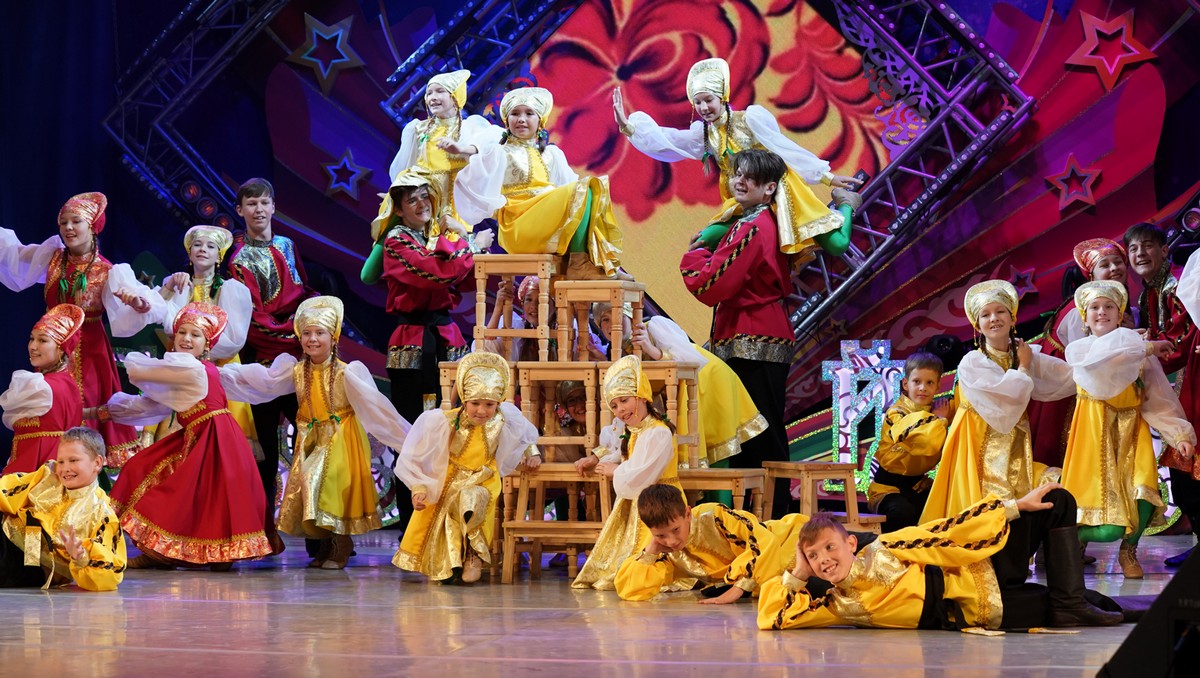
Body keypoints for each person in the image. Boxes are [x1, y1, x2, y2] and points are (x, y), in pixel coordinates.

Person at [757, 486, 1125, 631]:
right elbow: (772, 618)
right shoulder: (839, 605)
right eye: (813, 556)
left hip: (985, 566)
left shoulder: (883, 549)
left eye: (829, 547)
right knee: (1098, 605)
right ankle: (1070, 604)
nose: (823, 559)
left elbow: (941, 533)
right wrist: (798, 573)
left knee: (1056, 500)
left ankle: (1070, 604)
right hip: (985, 609)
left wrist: (1013, 507)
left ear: (851, 543)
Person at [219, 297, 413, 569]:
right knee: (310, 491)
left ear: (333, 338)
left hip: (341, 437)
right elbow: (264, 383)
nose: (312, 339)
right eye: (307, 333)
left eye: (319, 333)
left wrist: (408, 440)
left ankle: (341, 544)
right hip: (310, 437)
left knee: (328, 488)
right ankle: (325, 545)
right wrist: (221, 374)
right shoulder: (296, 370)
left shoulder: (348, 372)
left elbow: (377, 407)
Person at [613, 57, 862, 261]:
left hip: (777, 190)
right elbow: (669, 141)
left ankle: (846, 203)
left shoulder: (749, 119)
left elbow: (785, 148)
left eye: (708, 100)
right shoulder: (704, 134)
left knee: (837, 245)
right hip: (743, 202)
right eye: (697, 102)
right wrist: (630, 128)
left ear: (722, 97)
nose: (703, 108)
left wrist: (827, 178)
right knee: (706, 240)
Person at [96, 302, 271, 570]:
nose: (186, 339)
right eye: (182, 333)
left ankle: (217, 552)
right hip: (199, 433)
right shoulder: (188, 369)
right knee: (148, 471)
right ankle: (161, 551)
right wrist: (101, 412)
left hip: (215, 437)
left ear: (207, 345)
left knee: (210, 493)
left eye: (195, 335)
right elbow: (153, 405)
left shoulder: (191, 368)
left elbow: (141, 372)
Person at [0, 192, 163, 465]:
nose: (68, 228)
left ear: (93, 226)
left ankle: (87, 471)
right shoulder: (51, 258)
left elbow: (136, 306)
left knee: (89, 408)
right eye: (64, 222)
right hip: (53, 350)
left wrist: (138, 303)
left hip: (90, 351)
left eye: (76, 221)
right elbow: (13, 256)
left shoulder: (107, 271)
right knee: (51, 409)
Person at [680, 149, 794, 516]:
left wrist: (696, 253)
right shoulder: (754, 221)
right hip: (755, 332)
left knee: (757, 432)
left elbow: (711, 282)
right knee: (758, 430)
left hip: (753, 336)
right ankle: (766, 514)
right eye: (737, 174)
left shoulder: (752, 227)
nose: (739, 181)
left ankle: (773, 516)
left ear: (769, 188)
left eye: (750, 177)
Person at [1060, 280, 1190, 579]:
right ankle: (1069, 541)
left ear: (1120, 315)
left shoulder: (1137, 350)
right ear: (1084, 317)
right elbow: (1103, 360)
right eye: (1094, 307)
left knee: (1143, 493)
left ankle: (1129, 550)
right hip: (1093, 436)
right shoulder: (1080, 350)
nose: (1102, 312)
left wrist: (1178, 434)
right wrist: (1146, 347)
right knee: (1104, 525)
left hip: (1132, 432)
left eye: (1109, 307)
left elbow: (1158, 399)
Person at [919, 280, 1074, 523]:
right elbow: (1007, 403)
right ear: (977, 325)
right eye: (985, 314)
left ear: (1012, 318)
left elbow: (1068, 376)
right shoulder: (973, 363)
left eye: (1000, 311)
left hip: (1015, 450)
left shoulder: (1022, 352)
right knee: (992, 512)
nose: (994, 318)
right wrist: (1024, 366)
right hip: (980, 450)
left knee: (1059, 488)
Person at [392, 351, 540, 584]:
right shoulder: (446, 421)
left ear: (498, 402)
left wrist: (532, 453)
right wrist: (418, 488)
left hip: (484, 478)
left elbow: (524, 434)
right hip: (450, 478)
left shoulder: (503, 419)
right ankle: (449, 564)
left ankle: (474, 555)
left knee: (471, 499)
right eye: (475, 404)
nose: (481, 411)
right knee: (445, 510)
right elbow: (417, 456)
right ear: (464, 399)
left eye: (489, 404)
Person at [226, 178, 317, 552]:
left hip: (298, 361)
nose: (259, 210)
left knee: (312, 443)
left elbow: (304, 291)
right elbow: (250, 316)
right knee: (262, 451)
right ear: (240, 210)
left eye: (264, 202)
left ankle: (320, 536)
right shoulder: (236, 259)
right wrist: (293, 335)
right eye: (251, 204)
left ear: (274, 206)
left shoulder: (287, 246)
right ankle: (261, 536)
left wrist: (311, 325)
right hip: (260, 366)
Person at [455, 87, 629, 281]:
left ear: (540, 121)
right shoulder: (499, 152)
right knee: (584, 189)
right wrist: (496, 207)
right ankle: (580, 266)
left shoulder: (551, 154)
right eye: (515, 114)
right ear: (507, 120)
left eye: (529, 114)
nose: (521, 119)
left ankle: (599, 263)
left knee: (590, 192)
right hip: (518, 224)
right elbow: (471, 173)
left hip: (545, 220)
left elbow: (578, 201)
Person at [573, 355, 685, 590]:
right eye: (614, 406)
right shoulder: (635, 430)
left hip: (661, 501)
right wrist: (596, 458)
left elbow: (643, 471)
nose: (620, 409)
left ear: (641, 396)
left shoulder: (657, 432)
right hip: (642, 498)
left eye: (624, 401)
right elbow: (620, 451)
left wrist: (616, 471)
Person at [1028, 238, 1133, 468]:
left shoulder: (1120, 308)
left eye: (1118, 262)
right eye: (1105, 265)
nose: (1114, 268)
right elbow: (1091, 363)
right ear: (1091, 276)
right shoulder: (1082, 312)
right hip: (1068, 397)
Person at [152, 225, 256, 452]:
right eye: (197, 245)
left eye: (210, 246)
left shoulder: (231, 289)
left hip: (219, 368)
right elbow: (153, 310)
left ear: (219, 256)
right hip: (180, 367)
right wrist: (169, 286)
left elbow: (234, 340)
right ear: (189, 254)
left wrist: (199, 355)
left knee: (218, 438)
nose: (202, 249)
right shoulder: (177, 284)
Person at [1132, 223, 1200, 568]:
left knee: (1190, 458)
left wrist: (1142, 350)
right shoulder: (1147, 293)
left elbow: (1180, 339)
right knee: (1182, 466)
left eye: (1147, 246)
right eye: (1133, 249)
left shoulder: (1179, 286)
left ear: (1164, 250)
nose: (1140, 254)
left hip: (1190, 382)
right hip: (1171, 387)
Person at [614, 483, 807, 603]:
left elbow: (765, 542)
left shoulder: (713, 516)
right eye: (660, 535)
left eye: (675, 530)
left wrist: (739, 588)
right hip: (762, 580)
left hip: (786, 544)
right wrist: (651, 550)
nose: (671, 541)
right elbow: (630, 591)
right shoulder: (667, 551)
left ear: (687, 514)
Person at [630, 315, 765, 469]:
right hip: (696, 385)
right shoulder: (626, 346)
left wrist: (652, 350)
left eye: (612, 319)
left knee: (717, 442)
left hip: (709, 382)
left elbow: (684, 359)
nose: (609, 326)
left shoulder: (654, 327)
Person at [0, 427, 125, 591]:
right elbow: (6, 491)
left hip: (37, 564)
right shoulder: (48, 475)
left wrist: (80, 557)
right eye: (61, 461)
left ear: (97, 463)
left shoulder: (102, 515)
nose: (65, 468)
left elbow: (110, 575)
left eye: (73, 460)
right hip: (11, 534)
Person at [387, 68, 503, 224]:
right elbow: (405, 164)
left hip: (451, 202)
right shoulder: (418, 128)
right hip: (419, 196)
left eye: (440, 91)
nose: (433, 97)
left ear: (455, 96)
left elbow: (495, 140)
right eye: (429, 93)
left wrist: (462, 149)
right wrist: (395, 194)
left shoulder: (469, 127)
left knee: (446, 237)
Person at [866, 352, 950, 530]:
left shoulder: (937, 409)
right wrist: (940, 419)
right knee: (903, 513)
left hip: (917, 486)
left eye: (929, 383)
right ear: (906, 384)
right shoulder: (896, 414)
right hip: (887, 490)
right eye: (917, 381)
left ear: (938, 385)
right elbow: (926, 442)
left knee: (947, 507)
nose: (923, 388)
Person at [0, 304, 85, 474]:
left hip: (37, 471)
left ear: (61, 347)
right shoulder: (68, 383)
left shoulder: (41, 387)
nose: (33, 346)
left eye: (43, 340)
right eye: (32, 339)